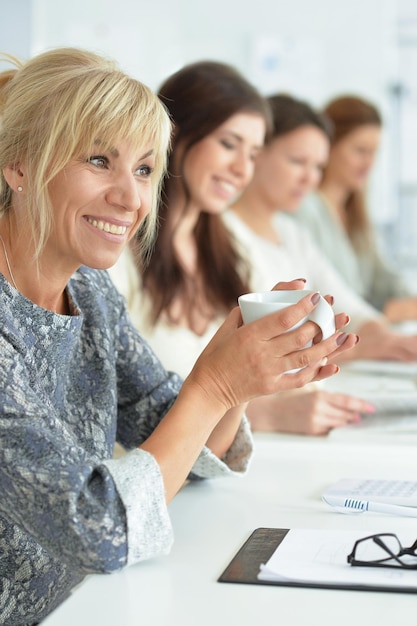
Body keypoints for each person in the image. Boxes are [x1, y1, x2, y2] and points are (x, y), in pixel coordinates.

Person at [0, 49, 357, 625]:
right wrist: (216, 383)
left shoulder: (90, 291)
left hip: (87, 604)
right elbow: (100, 527)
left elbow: (180, 445)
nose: (131, 198)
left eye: (143, 170)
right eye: (99, 160)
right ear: (17, 165)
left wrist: (246, 368)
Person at [109, 64, 366, 438]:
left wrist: (306, 356)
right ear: (175, 135)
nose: (240, 169)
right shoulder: (117, 252)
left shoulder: (235, 243)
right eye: (228, 144)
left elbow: (282, 359)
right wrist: (266, 415)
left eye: (253, 154)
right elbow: (125, 409)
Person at [225, 93, 417, 431]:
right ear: (258, 153)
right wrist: (354, 347)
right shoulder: (225, 234)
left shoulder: (291, 232)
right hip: (262, 420)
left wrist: (382, 336)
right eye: (298, 162)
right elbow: (269, 351)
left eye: (317, 167)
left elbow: (350, 306)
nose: (311, 179)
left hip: (308, 403)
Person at [294, 95, 417, 322]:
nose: (370, 163)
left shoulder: (356, 211)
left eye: (374, 152)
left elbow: (383, 276)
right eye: (360, 151)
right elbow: (327, 296)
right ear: (328, 148)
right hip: (348, 329)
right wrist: (388, 311)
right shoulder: (304, 209)